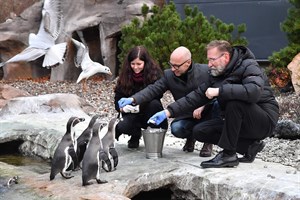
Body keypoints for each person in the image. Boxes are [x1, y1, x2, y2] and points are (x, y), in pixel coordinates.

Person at [148, 40, 279, 168]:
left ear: (225, 57)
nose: (209, 64)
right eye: (208, 60)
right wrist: (168, 112)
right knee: (200, 131)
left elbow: (253, 91)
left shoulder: (249, 65)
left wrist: (220, 91)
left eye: (212, 59)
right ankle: (249, 147)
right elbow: (195, 97)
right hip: (240, 122)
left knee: (235, 102)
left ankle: (229, 155)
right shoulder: (218, 74)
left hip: (263, 120)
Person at [118, 46, 214, 157]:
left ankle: (209, 140)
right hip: (186, 113)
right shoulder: (169, 75)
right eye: (171, 64)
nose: (173, 69)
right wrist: (133, 99)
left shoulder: (206, 72)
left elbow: (218, 94)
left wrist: (204, 106)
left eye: (176, 66)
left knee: (211, 116)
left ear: (188, 63)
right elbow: (153, 89)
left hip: (207, 113)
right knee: (176, 128)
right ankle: (191, 137)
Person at [114, 46, 168, 148]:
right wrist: (122, 108)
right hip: (131, 114)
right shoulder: (125, 76)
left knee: (154, 104)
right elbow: (117, 100)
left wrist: (137, 105)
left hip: (149, 110)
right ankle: (135, 135)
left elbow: (158, 94)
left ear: (145, 63)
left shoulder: (155, 74)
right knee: (123, 126)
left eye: (139, 64)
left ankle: (152, 136)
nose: (135, 67)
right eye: (133, 64)